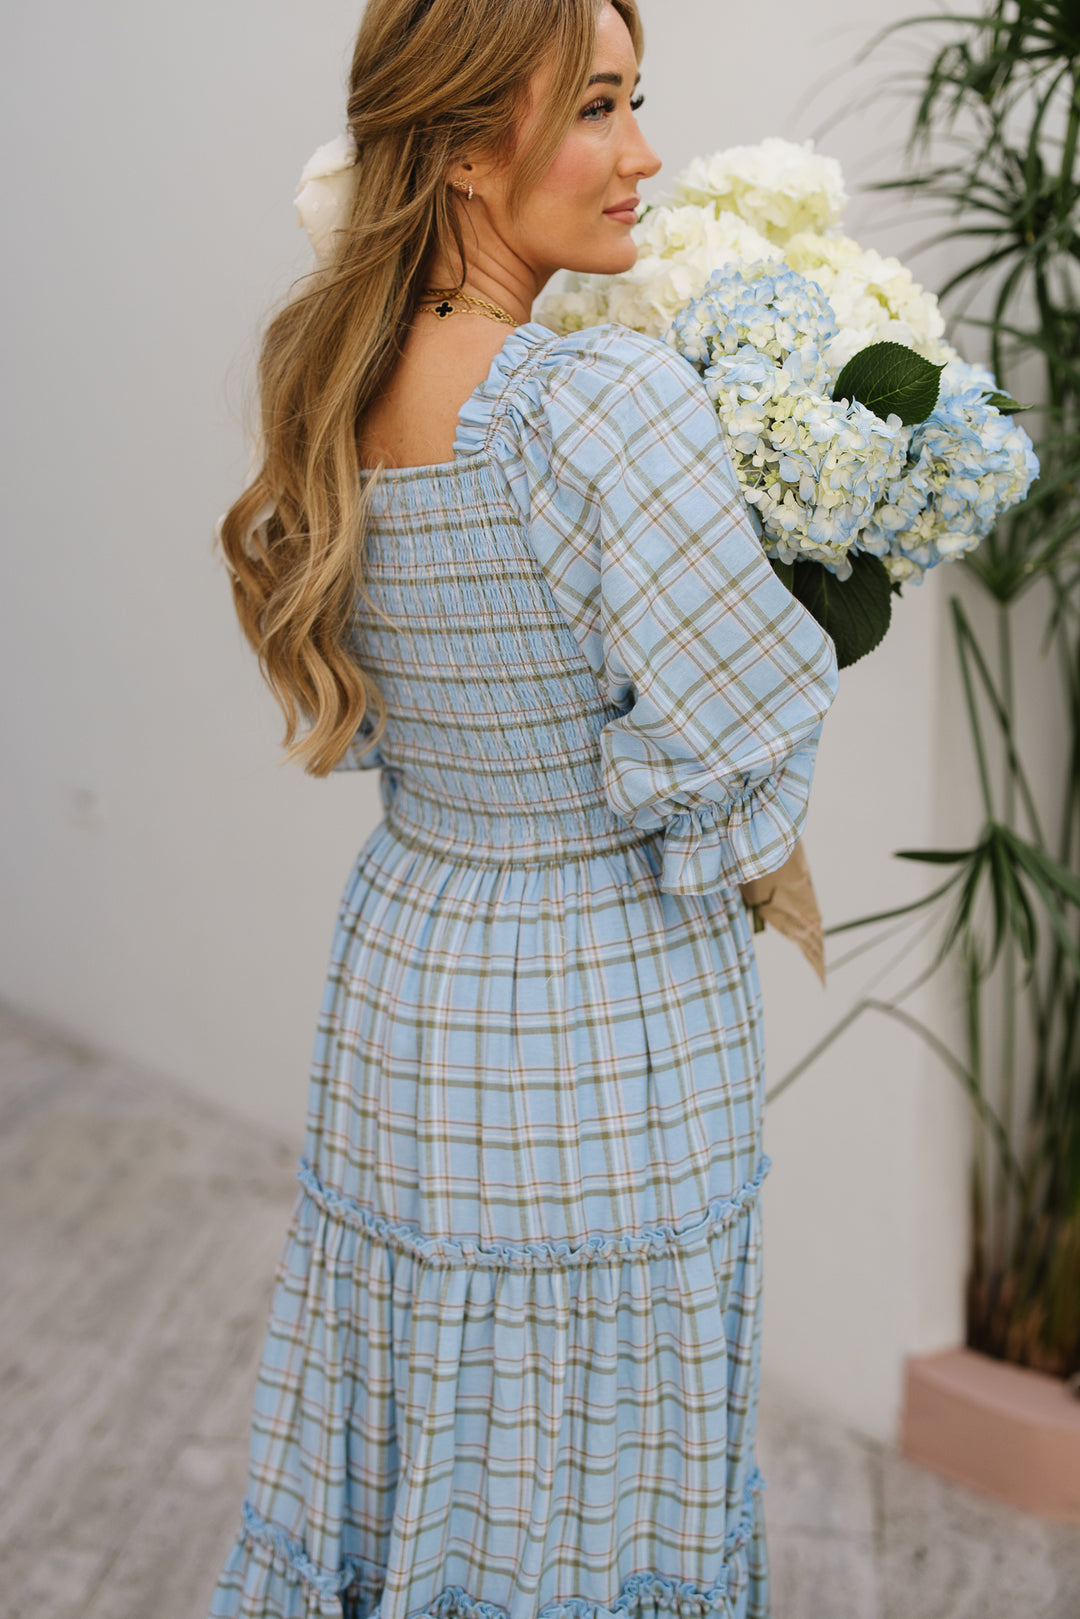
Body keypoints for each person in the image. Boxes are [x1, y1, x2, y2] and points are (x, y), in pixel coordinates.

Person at [208, 1, 839, 1615]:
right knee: (597, 1459)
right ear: (472, 155)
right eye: (599, 110)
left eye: (642, 103)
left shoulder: (333, 387)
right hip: (602, 1010)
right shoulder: (602, 408)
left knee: (425, 1413)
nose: (643, 155)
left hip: (414, 985)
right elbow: (739, 743)